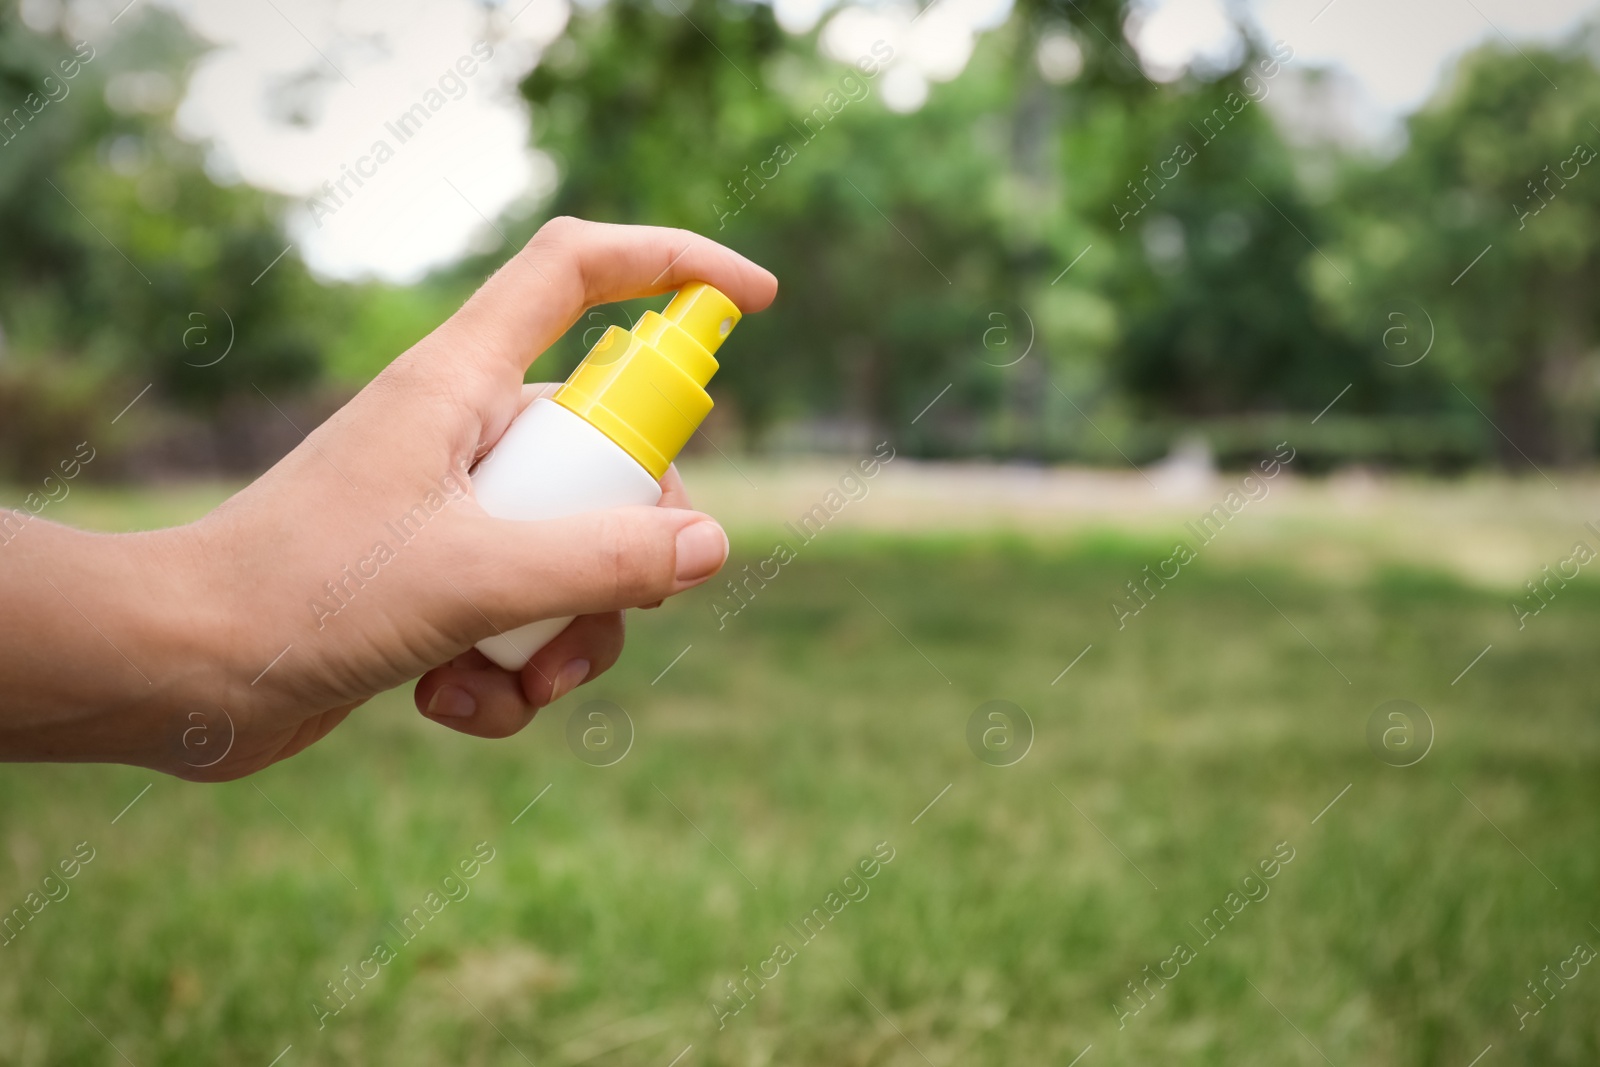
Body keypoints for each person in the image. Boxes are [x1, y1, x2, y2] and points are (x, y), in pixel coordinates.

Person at [0, 218, 778, 781]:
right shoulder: (560, 436)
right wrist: (226, 632)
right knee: (517, 659)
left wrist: (227, 646)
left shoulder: (579, 448)